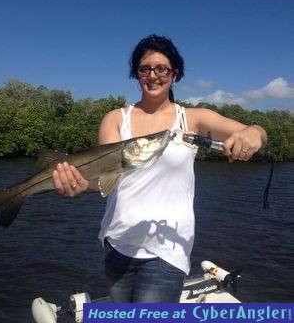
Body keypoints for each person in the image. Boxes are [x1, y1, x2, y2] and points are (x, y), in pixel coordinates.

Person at [52, 34, 267, 303]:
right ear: (136, 74)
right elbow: (108, 179)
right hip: (117, 244)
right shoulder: (116, 118)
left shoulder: (193, 118)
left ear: (174, 75)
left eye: (161, 68)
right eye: (145, 69)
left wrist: (254, 135)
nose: (153, 75)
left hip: (166, 252)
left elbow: (256, 131)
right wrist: (80, 184)